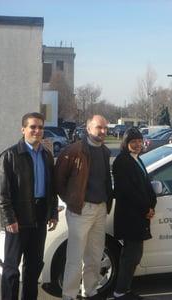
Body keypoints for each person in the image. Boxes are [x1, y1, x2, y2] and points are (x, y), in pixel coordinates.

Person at [0, 112, 58, 300]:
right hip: (18, 219)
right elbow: (1, 193)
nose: (37, 130)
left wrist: (53, 213)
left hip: (40, 218)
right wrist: (9, 219)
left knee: (33, 267)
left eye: (40, 127)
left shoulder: (47, 156)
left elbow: (51, 188)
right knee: (11, 270)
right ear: (23, 129)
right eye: (33, 127)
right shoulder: (10, 156)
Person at [54, 115, 113, 300]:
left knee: (95, 256)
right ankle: (70, 295)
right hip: (81, 210)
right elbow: (58, 181)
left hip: (100, 209)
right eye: (98, 128)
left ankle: (91, 292)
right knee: (74, 258)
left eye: (105, 128)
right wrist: (71, 201)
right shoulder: (74, 150)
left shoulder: (105, 151)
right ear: (88, 129)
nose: (103, 131)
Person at [112, 128, 157, 300]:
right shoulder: (122, 161)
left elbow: (146, 185)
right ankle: (120, 292)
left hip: (140, 215)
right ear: (126, 143)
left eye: (139, 140)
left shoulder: (137, 159)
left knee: (135, 255)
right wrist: (146, 208)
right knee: (130, 256)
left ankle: (125, 289)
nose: (137, 144)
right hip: (130, 216)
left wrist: (152, 204)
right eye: (133, 141)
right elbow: (128, 191)